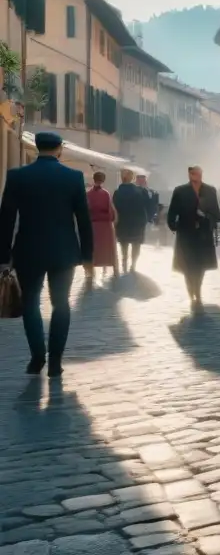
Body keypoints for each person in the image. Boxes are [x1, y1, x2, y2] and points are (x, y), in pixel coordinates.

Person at [0, 132, 93, 377]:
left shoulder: (18, 176)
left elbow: (6, 219)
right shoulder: (73, 177)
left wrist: (3, 255)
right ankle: (55, 362)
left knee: (30, 302)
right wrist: (88, 255)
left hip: (28, 250)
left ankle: (37, 356)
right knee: (61, 303)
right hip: (64, 251)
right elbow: (83, 219)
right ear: (60, 149)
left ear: (36, 147)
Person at [167, 165, 220, 302]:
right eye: (192, 174)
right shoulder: (180, 191)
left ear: (201, 174)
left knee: (201, 264)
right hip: (186, 232)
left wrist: (207, 217)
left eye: (197, 173)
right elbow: (172, 211)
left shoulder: (209, 190)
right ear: (189, 175)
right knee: (188, 264)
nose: (195, 176)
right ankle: (191, 290)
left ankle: (198, 288)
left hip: (204, 233)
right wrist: (173, 226)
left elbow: (216, 214)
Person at [113, 168, 148, 273]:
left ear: (122, 178)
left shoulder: (117, 192)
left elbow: (114, 207)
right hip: (138, 223)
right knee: (136, 244)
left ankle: (124, 260)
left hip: (122, 222)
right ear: (132, 178)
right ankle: (133, 264)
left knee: (124, 243)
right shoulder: (141, 191)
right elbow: (148, 206)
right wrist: (146, 219)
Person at [87, 171, 119, 278]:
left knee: (93, 247)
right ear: (103, 180)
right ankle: (114, 269)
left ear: (94, 179)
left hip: (93, 224)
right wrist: (113, 219)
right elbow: (110, 211)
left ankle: (90, 270)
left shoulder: (88, 194)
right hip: (105, 225)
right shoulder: (106, 193)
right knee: (108, 248)